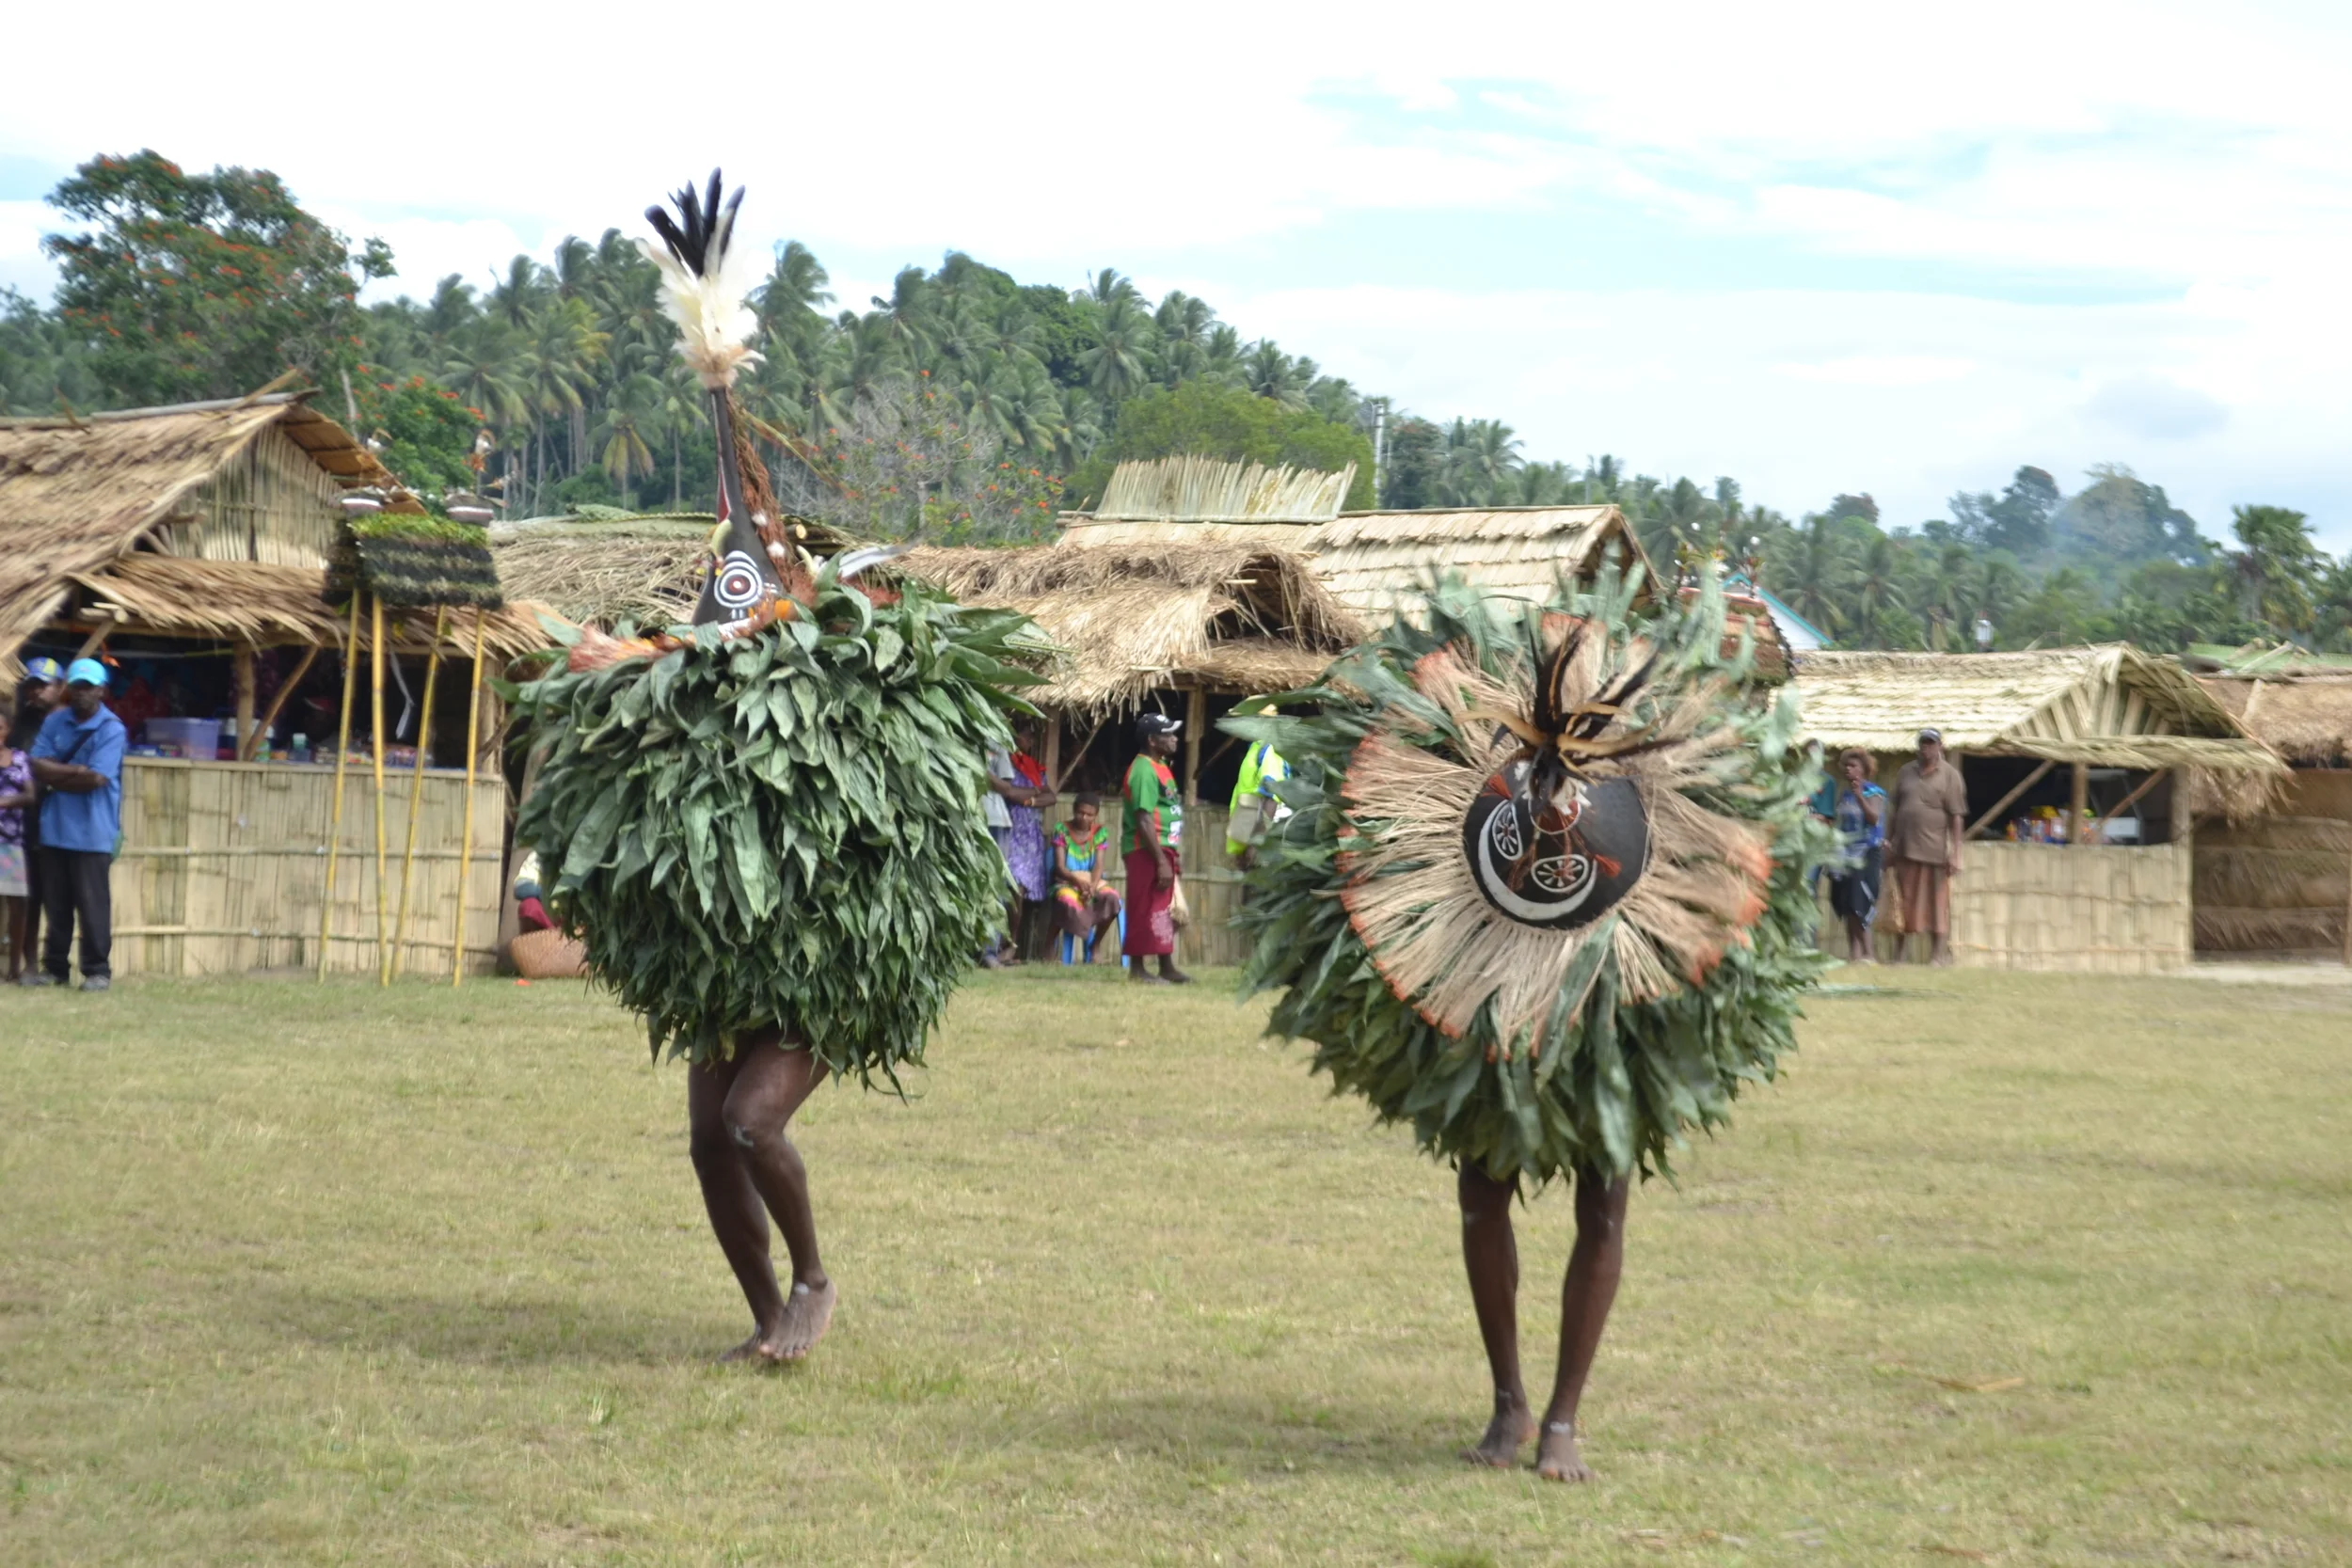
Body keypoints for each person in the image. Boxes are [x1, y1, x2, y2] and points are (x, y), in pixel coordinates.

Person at [1235, 582, 1833, 1483]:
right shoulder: (1488, 775)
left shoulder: (1646, 778)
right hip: (1485, 954)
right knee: (1483, 1189)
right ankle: (1509, 1399)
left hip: (1616, 966)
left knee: (1605, 1197)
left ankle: (1563, 1414)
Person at [26, 658, 125, 990]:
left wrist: (58, 775)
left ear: (102, 690)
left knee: (92, 905)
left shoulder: (112, 729)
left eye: (89, 688)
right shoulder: (56, 722)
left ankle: (97, 970)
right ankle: (55, 968)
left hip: (93, 832)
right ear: (69, 688)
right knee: (57, 906)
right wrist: (76, 773)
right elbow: (35, 766)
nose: (82, 694)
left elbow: (97, 778)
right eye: (77, 687)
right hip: (55, 827)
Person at [1889, 726, 1968, 965]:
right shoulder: (1906, 772)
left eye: (1931, 743)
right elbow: (1893, 808)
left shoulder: (1950, 775)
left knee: (1937, 904)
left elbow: (1956, 816)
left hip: (1934, 850)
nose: (1926, 747)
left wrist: (1956, 853)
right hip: (1905, 848)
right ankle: (1900, 955)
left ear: (1940, 746)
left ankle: (1937, 955)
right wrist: (1888, 839)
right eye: (1923, 743)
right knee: (1904, 903)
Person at [1121, 711, 1189, 985]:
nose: (1174, 739)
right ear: (1152, 740)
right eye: (1168, 734)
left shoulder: (1161, 766)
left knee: (1163, 908)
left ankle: (1166, 965)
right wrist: (1160, 860)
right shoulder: (1142, 771)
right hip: (1145, 850)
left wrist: (1172, 856)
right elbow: (1143, 817)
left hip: (1162, 849)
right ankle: (1137, 969)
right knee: (1143, 906)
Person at [8, 658, 64, 977]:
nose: (37, 692)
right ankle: (26, 962)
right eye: (32, 685)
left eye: (44, 685)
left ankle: (52, 963)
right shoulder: (19, 727)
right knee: (26, 893)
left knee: (53, 894)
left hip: (60, 818)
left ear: (59, 688)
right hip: (23, 823)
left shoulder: (68, 723)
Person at [981, 731, 1054, 966]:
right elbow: (1010, 793)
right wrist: (1033, 794)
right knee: (1009, 889)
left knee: (1016, 891)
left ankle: (1008, 945)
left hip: (1027, 837)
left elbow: (1050, 796)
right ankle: (996, 945)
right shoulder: (1006, 761)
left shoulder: (1032, 768)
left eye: (1031, 737)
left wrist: (1029, 798)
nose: (1027, 740)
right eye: (1023, 736)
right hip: (1011, 831)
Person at [1824, 748, 1886, 962]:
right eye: (1847, 766)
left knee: (1861, 900)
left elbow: (1873, 818)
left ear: (1865, 769)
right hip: (1845, 855)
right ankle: (1855, 954)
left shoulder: (1874, 793)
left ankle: (1869, 954)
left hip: (1867, 853)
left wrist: (1860, 795)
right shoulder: (1844, 794)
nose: (1849, 770)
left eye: (1854, 766)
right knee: (1847, 902)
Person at [1049, 793, 1122, 960]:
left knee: (1112, 898)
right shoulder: (1062, 829)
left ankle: (1095, 944)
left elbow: (1098, 865)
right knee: (1067, 902)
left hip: (1091, 882)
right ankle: (1048, 944)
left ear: (1095, 816)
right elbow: (1060, 867)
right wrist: (1077, 881)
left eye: (1089, 814)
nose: (1084, 817)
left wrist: (1093, 886)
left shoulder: (1099, 833)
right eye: (1080, 812)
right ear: (1074, 810)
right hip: (1065, 881)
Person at [1224, 705, 1290, 869]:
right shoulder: (1255, 748)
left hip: (1261, 845)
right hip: (1249, 839)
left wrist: (1256, 844)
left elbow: (1272, 797)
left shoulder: (1270, 749)